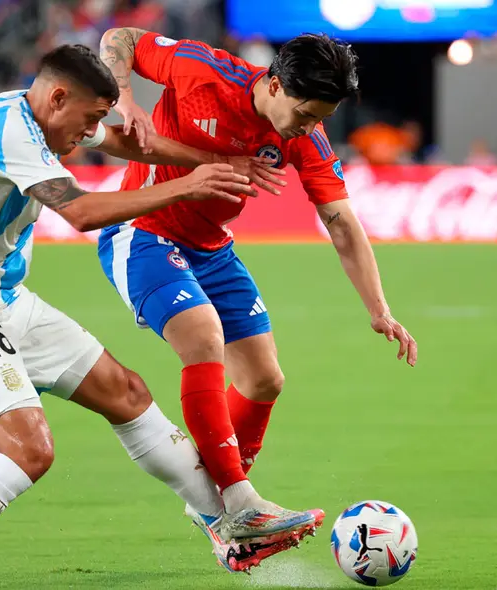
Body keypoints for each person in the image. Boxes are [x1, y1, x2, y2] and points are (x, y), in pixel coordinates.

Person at [0, 44, 310, 590]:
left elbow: (121, 141)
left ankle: (225, 524)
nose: (90, 132)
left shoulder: (38, 112)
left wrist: (211, 163)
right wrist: (188, 184)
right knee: (31, 451)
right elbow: (81, 212)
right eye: (89, 118)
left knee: (127, 394)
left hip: (3, 295)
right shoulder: (10, 134)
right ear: (58, 96)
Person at [96, 28, 418, 552]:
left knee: (264, 379)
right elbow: (122, 37)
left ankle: (221, 515)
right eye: (307, 113)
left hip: (212, 248)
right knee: (202, 336)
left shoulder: (302, 138)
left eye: (321, 119)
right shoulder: (204, 71)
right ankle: (240, 505)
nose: (311, 127)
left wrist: (380, 310)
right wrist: (128, 100)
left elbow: (339, 220)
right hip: (145, 230)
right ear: (273, 85)